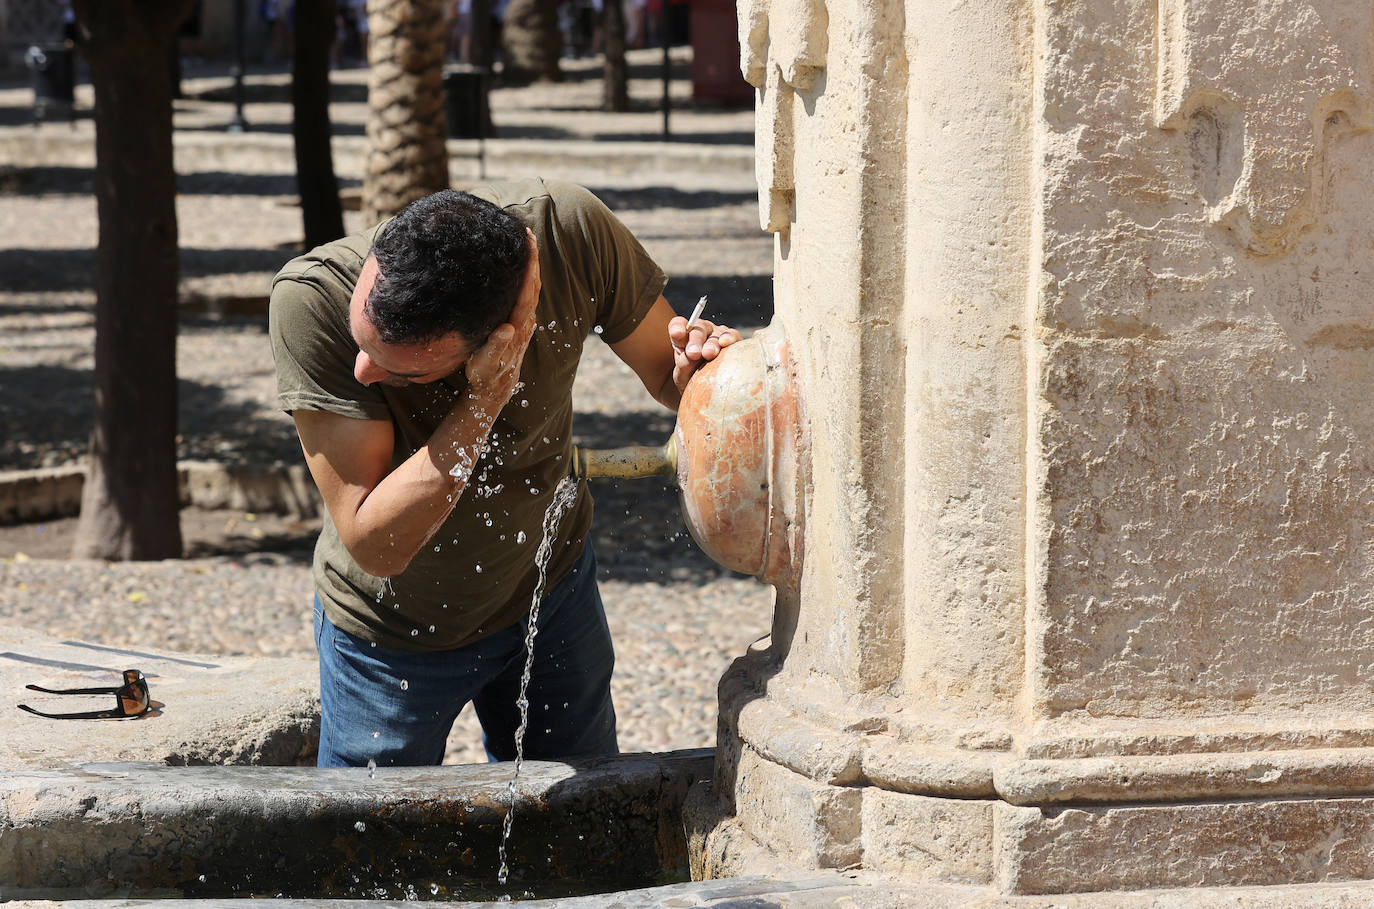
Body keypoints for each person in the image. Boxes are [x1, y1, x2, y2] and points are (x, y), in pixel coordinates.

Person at [269, 179, 738, 768]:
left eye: (404, 374)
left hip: (550, 592)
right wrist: (486, 398)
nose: (363, 371)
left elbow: (671, 379)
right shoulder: (311, 301)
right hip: (389, 632)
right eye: (362, 343)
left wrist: (705, 370)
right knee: (372, 824)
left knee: (581, 815)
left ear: (495, 339)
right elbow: (376, 545)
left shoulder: (571, 232)